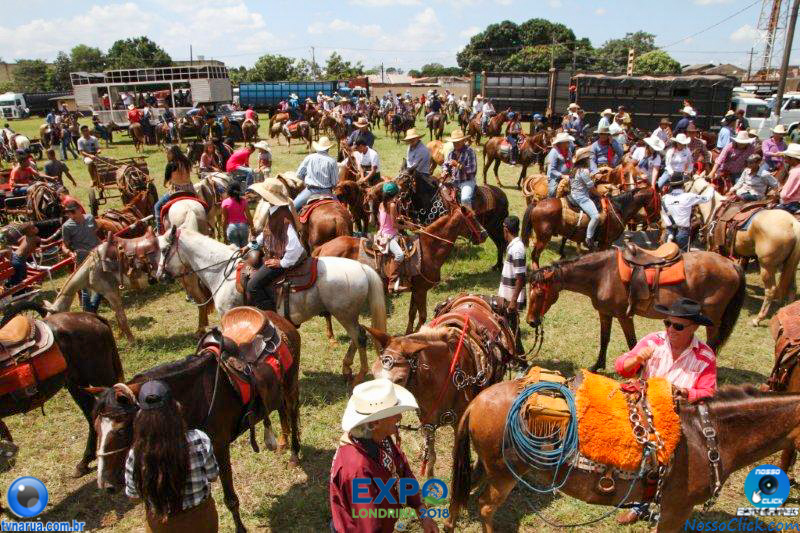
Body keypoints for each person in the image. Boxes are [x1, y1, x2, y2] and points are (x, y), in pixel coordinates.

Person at [614, 298, 717, 525]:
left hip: (681, 419)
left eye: (678, 326)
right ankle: (638, 504)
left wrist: (685, 393)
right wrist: (636, 358)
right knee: (641, 462)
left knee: (674, 470)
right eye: (667, 323)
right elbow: (620, 367)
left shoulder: (705, 356)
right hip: (644, 413)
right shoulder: (653, 341)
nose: (671, 329)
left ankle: (663, 511)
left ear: (694, 328)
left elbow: (708, 392)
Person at [329, 378, 438, 533]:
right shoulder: (357, 469)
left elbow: (402, 468)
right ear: (375, 423)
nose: (400, 417)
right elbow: (368, 526)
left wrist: (422, 511)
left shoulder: (378, 438)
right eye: (394, 413)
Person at [125, 380, 220, 533]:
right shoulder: (199, 439)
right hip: (200, 521)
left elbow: (134, 497)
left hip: (162, 525)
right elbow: (213, 476)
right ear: (175, 408)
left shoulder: (135, 454)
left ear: (141, 416)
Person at [246, 181, 306, 311]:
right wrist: (250, 245)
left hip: (281, 257)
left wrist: (282, 263)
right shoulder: (274, 210)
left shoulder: (283, 217)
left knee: (252, 286)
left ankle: (272, 315)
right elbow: (267, 233)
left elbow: (295, 246)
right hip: (274, 253)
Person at [61, 201, 101, 312]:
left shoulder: (90, 218)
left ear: (79, 209)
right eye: (68, 213)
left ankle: (92, 309)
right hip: (82, 260)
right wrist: (70, 253)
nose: (71, 215)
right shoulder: (67, 227)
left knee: (100, 284)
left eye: (72, 212)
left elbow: (95, 233)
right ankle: (88, 312)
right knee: (85, 289)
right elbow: (64, 245)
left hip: (97, 255)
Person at [661, 173, 710, 251]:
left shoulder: (664, 198)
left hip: (669, 231)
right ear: (683, 184)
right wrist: (711, 188)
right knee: (682, 257)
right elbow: (707, 198)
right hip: (682, 232)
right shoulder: (689, 196)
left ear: (671, 186)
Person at [154, 145, 194, 232]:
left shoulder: (171, 165)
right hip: (190, 190)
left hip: (176, 191)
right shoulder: (187, 162)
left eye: (168, 153)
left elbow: (166, 181)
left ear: (172, 154)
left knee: (157, 206)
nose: (167, 155)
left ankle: (160, 230)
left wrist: (165, 184)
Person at [377, 182, 409, 292]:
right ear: (396, 193)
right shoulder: (392, 205)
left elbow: (388, 219)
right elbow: (395, 225)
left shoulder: (382, 204)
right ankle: (392, 282)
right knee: (400, 255)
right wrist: (408, 226)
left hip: (382, 232)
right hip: (390, 236)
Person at [294, 136, 338, 211]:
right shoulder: (332, 161)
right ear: (328, 148)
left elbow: (299, 175)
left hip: (310, 191)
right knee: (342, 210)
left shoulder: (309, 158)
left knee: (292, 208)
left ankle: (291, 223)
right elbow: (334, 182)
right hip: (327, 192)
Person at [569, 147, 602, 249]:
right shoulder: (584, 171)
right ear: (584, 160)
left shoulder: (574, 169)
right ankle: (589, 238)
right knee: (596, 216)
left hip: (573, 193)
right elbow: (591, 188)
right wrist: (601, 195)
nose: (589, 160)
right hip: (581, 197)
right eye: (588, 158)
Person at [442, 130, 477, 209]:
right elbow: (446, 164)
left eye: (457, 142)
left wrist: (458, 165)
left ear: (463, 141)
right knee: (441, 193)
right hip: (454, 181)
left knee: (465, 199)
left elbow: (472, 170)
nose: (455, 144)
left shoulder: (470, 151)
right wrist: (444, 171)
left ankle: (468, 218)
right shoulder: (451, 153)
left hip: (467, 181)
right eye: (453, 142)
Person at [498, 215, 526, 314]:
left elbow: (521, 277)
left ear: (505, 230)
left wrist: (513, 301)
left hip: (511, 300)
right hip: (507, 297)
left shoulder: (517, 249)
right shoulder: (513, 246)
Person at [2, 222, 39, 288]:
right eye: (33, 228)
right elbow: (47, 240)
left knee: (17, 276)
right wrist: (57, 234)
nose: (36, 228)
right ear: (29, 232)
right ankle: (16, 290)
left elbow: (16, 242)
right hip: (20, 260)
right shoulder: (36, 238)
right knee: (20, 279)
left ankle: (16, 288)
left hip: (14, 256)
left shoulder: (24, 237)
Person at [221, 182, 254, 247]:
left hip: (231, 228)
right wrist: (252, 228)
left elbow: (224, 220)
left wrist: (224, 233)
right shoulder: (244, 201)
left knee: (235, 251)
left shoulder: (225, 202)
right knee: (244, 249)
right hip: (243, 227)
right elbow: (249, 216)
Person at [545, 132, 574, 197]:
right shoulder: (554, 152)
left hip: (568, 175)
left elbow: (571, 163)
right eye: (567, 141)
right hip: (555, 177)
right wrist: (562, 176)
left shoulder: (568, 151)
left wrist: (573, 171)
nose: (569, 143)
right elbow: (552, 169)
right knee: (552, 191)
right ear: (561, 143)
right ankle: (549, 201)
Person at [776, 143, 800, 213]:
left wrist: (780, 194)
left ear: (792, 159)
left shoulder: (795, 171)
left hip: (793, 204)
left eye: (786, 157)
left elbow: (785, 195)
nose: (785, 159)